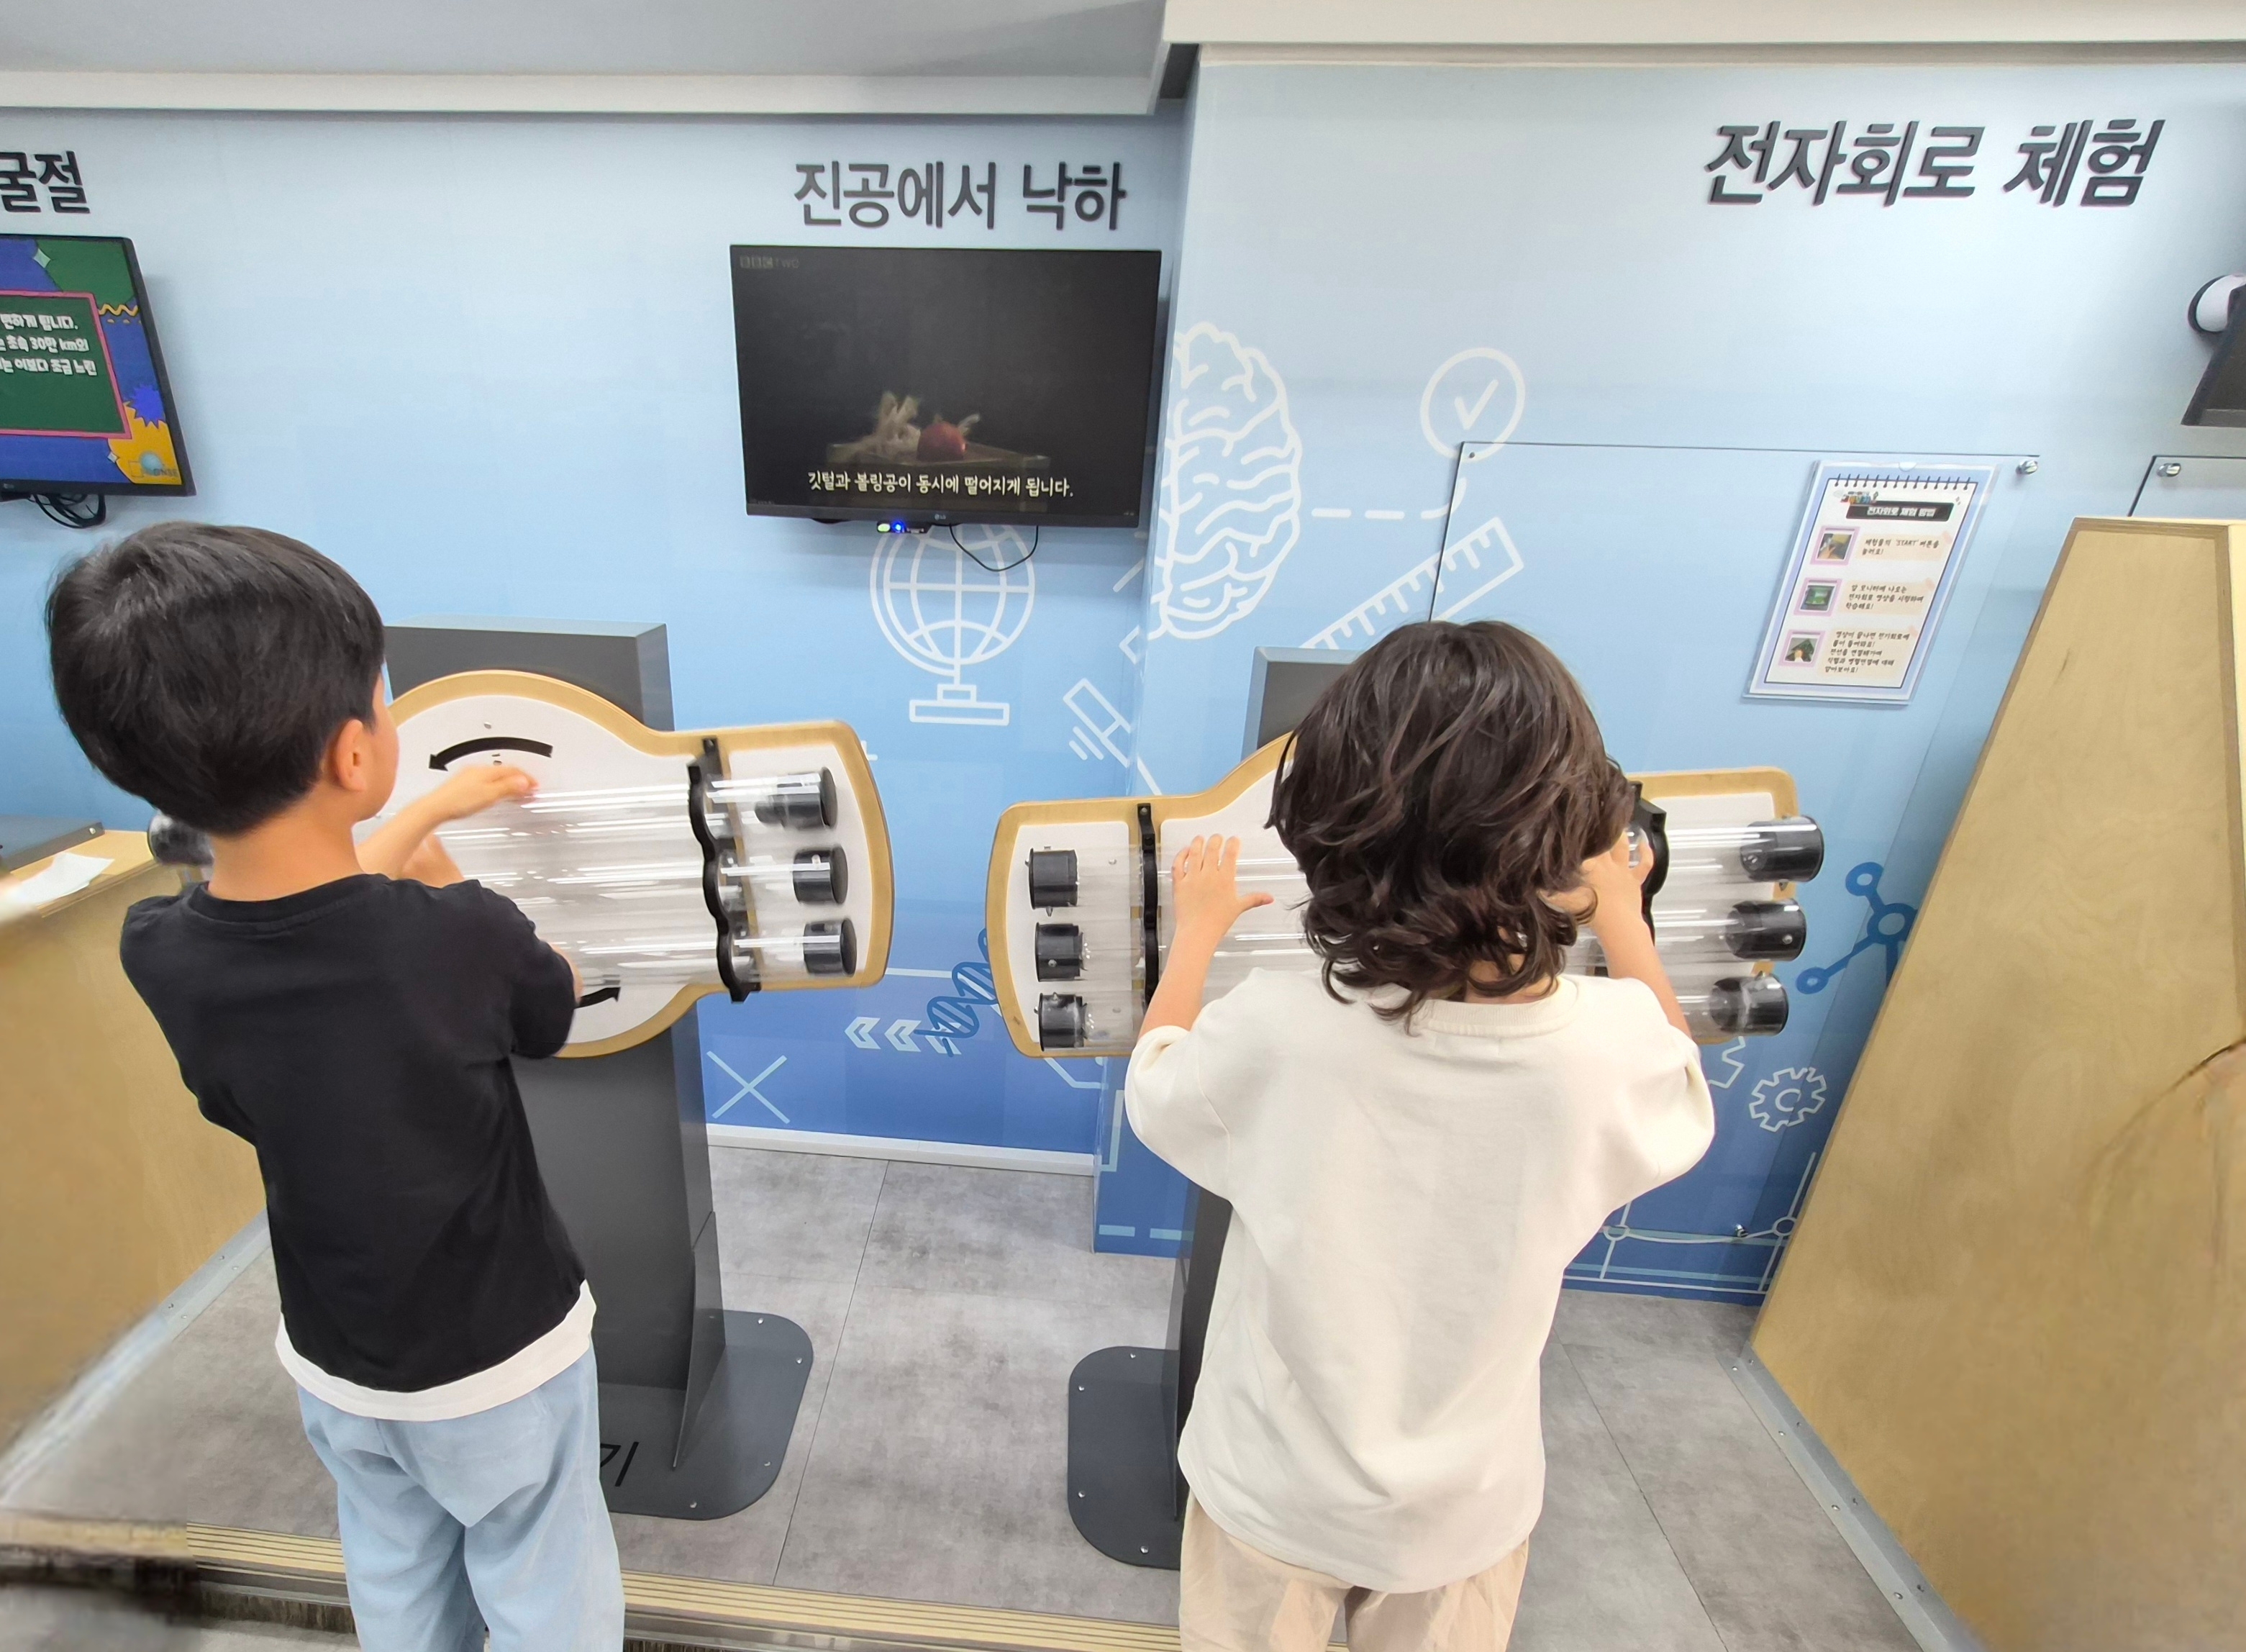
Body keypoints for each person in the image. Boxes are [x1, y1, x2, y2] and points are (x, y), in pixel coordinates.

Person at [45, 522, 624, 1652]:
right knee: (542, 1572)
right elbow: (547, 1009)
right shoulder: (457, 936)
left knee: (397, 1573)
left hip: (337, 1361)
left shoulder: (158, 946)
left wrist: (420, 819)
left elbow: (310, 920)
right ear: (355, 756)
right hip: (501, 1358)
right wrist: (445, 865)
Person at [1126, 620, 1715, 1652]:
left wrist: (1199, 935)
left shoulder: (1277, 1030)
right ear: (1571, 825)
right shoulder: (1608, 1048)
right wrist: (1623, 916)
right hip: (1466, 1511)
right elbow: (1674, 1068)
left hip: (1273, 1488)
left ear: (1326, 822)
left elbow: (1158, 1082)